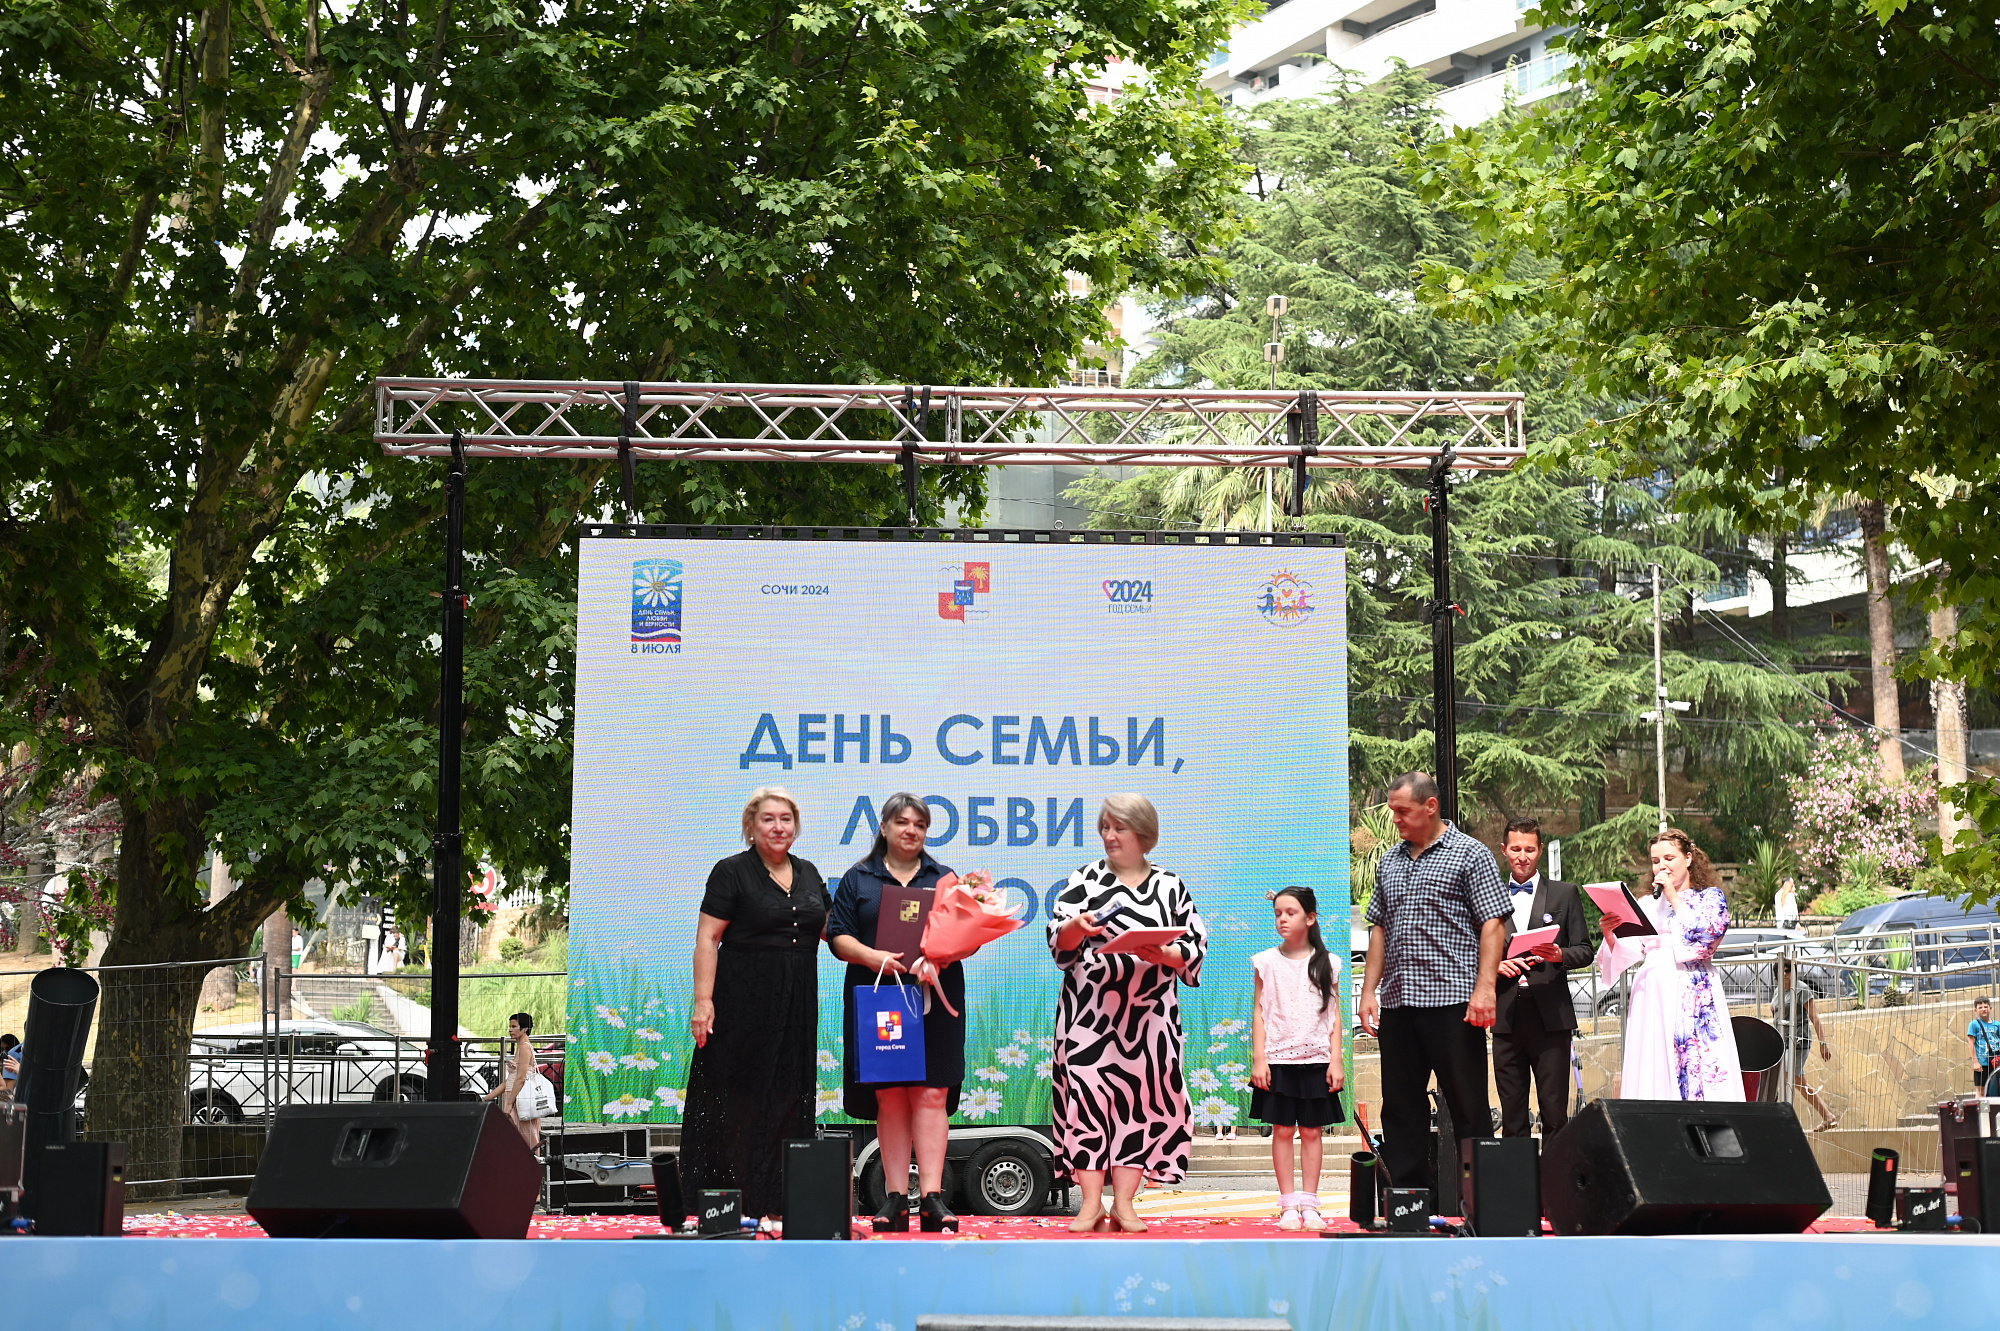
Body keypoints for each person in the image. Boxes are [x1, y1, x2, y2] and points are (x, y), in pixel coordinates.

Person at [1049, 793, 1208, 1235]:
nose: (1110, 835)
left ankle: (1124, 1204)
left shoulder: (1172, 886)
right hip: (1089, 1017)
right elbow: (1059, 946)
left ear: (1142, 833)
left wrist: (1164, 952)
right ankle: (1089, 1205)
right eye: (1105, 827)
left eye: (1119, 827)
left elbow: (1193, 950)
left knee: (1140, 1106)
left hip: (1150, 1020)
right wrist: (1075, 928)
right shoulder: (1084, 881)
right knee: (1087, 1103)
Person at [679, 787, 830, 1231]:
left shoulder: (808, 872)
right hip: (742, 1002)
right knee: (739, 1103)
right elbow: (708, 938)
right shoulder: (731, 872)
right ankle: (733, 1207)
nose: (778, 826)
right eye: (768, 819)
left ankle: (776, 1206)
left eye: (786, 818)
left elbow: (833, 931)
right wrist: (703, 1002)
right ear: (751, 825)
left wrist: (895, 946)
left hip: (797, 1005)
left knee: (789, 1100)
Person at [1357, 772, 1511, 1193]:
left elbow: (1493, 924)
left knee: (1467, 1107)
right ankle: (1408, 1205)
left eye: (1402, 811)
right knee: (1401, 1108)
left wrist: (1485, 989)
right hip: (1400, 1003)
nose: (1396, 820)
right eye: (1392, 812)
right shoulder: (1389, 860)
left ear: (1431, 806)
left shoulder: (1470, 854)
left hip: (1453, 1002)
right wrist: (1369, 991)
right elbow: (1379, 930)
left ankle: (1482, 1203)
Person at [827, 793, 964, 1234]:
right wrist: (873, 956)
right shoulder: (859, 878)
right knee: (890, 1094)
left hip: (934, 996)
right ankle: (895, 1199)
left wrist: (940, 956)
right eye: (902, 822)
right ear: (883, 827)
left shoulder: (943, 879)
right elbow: (837, 937)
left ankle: (932, 1198)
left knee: (931, 1094)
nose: (911, 831)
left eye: (920, 825)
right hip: (879, 995)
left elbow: (968, 936)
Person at [1596, 828, 1743, 1101]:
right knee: (1653, 1058)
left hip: (1691, 985)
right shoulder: (1645, 904)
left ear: (1688, 858)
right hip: (1651, 989)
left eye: (1668, 858)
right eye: (1655, 861)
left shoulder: (1710, 897)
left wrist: (1674, 897)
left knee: (1693, 1058)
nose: (1661, 866)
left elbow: (1707, 937)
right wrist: (1610, 934)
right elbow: (1629, 952)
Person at [1249, 886, 1345, 1231]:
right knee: (1282, 1130)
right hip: (1278, 1060)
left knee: (1313, 1132)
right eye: (1278, 913)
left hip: (1317, 1060)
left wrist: (1337, 1060)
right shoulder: (1265, 962)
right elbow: (1259, 1013)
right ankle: (1288, 1204)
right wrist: (1260, 1059)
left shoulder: (1329, 962)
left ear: (1310, 918)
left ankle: (1310, 1203)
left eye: (1290, 912)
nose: (1282, 919)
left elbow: (1334, 1016)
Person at [1492, 816, 1594, 1140]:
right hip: (1506, 1016)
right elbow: (1469, 950)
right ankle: (1518, 1187)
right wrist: (1492, 965)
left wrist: (1559, 955)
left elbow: (1585, 950)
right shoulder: (1488, 895)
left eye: (1530, 849)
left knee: (1554, 1113)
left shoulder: (1565, 894)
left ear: (1539, 851)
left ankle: (1552, 1187)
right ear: (1505, 849)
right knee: (1512, 1115)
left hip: (1551, 1016)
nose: (1523, 856)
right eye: (1516, 849)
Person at [1775, 958, 1837, 1130]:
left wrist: (1823, 1043)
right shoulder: (1778, 992)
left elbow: (1815, 1017)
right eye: (1782, 971)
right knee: (1798, 1082)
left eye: (1789, 971)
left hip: (1798, 1041)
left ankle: (1785, 1121)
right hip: (1784, 1043)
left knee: (1790, 1079)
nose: (1786, 975)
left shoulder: (1801, 989)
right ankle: (1828, 1116)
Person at [482, 1011, 545, 1153]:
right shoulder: (520, 1047)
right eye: (510, 1026)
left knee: (528, 1138)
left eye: (514, 1026)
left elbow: (521, 1078)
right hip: (515, 1097)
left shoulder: (524, 1048)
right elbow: (512, 1080)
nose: (510, 1030)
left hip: (520, 1098)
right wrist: (489, 1097)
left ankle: (536, 1169)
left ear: (525, 1029)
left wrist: (509, 1104)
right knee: (518, 1138)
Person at [1968, 997, 2000, 1094]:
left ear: (1990, 1008)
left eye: (1986, 1007)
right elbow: (1971, 1043)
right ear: (1976, 1010)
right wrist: (1976, 1062)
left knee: (1997, 1089)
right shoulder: (1974, 1024)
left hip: (1996, 1062)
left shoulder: (1997, 1024)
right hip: (1982, 1063)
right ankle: (1979, 1109)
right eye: (1980, 1007)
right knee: (1981, 1090)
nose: (1983, 1009)